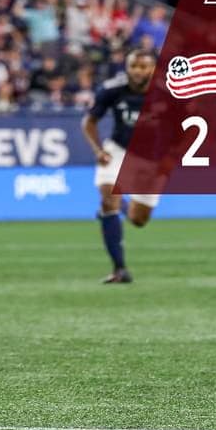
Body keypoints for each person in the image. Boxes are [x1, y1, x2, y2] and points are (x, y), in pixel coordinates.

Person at [81, 49, 158, 284]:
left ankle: (118, 208)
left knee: (138, 219)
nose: (137, 71)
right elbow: (89, 122)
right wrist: (98, 150)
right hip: (117, 149)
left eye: (143, 67)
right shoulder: (112, 89)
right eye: (133, 66)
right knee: (107, 196)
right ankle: (120, 269)